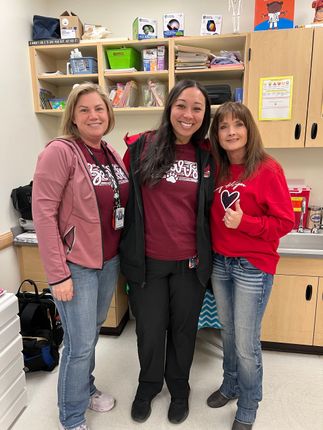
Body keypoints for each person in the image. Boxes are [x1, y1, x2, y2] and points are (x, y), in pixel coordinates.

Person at [32, 82, 129, 430]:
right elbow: (43, 213)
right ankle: (71, 418)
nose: (93, 115)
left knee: (88, 337)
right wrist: (58, 274)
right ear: (72, 116)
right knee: (79, 344)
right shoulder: (60, 151)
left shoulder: (109, 152)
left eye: (99, 109)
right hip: (77, 267)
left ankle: (85, 389)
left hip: (108, 262)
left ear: (109, 114)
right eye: (84, 109)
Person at [120, 79, 215, 424]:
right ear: (170, 107)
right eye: (182, 106)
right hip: (147, 263)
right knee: (149, 328)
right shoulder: (143, 145)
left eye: (197, 108)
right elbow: (122, 197)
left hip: (190, 264)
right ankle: (148, 386)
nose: (188, 115)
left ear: (204, 115)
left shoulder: (207, 155)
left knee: (183, 331)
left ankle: (179, 388)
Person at [206, 101, 294, 430]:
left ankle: (249, 402)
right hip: (221, 263)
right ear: (217, 134)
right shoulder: (217, 168)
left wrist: (245, 223)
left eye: (237, 125)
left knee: (246, 342)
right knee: (228, 333)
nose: (231, 132)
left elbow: (284, 222)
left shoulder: (267, 169)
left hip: (252, 266)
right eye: (223, 126)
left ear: (248, 129)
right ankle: (230, 385)